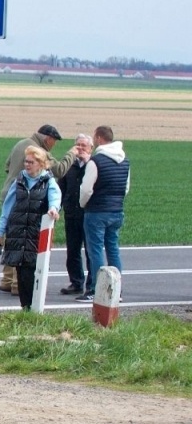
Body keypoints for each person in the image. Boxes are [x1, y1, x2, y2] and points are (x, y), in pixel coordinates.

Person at [0, 125, 71, 293]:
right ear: (48, 139)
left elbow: (7, 166)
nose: (54, 145)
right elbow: (60, 170)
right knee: (22, 239)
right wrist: (71, 154)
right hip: (24, 198)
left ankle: (7, 279)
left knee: (11, 237)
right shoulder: (38, 151)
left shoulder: (20, 144)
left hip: (8, 192)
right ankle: (17, 284)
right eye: (54, 142)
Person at [0, 145, 61, 311]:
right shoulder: (19, 181)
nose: (27, 165)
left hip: (34, 235)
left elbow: (55, 198)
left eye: (31, 162)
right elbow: (7, 208)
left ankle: (33, 309)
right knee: (21, 274)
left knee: (32, 274)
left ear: (40, 163)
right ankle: (25, 309)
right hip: (17, 233)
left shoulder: (48, 182)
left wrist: (53, 209)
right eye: (26, 161)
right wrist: (0, 233)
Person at [79, 125, 130, 302]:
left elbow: (86, 189)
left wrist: (83, 204)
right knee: (113, 249)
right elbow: (126, 188)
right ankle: (117, 289)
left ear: (99, 138)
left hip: (97, 211)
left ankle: (97, 289)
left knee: (95, 251)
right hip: (117, 210)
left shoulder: (96, 161)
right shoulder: (125, 161)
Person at [57, 133, 92, 295]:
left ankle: (92, 283)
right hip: (71, 213)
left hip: (89, 214)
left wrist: (87, 163)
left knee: (91, 250)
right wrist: (58, 207)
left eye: (84, 145)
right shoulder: (68, 165)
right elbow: (60, 189)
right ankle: (76, 282)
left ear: (91, 148)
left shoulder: (94, 165)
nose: (80, 148)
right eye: (78, 145)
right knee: (72, 250)